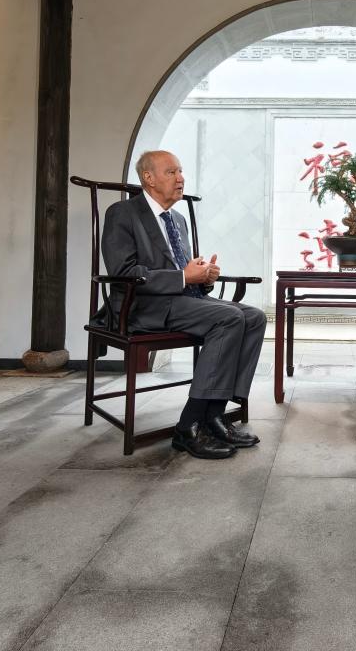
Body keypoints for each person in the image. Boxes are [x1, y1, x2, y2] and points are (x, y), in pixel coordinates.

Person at [100, 150, 266, 460]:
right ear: (148, 178)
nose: (180, 178)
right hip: (143, 305)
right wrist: (183, 277)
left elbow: (185, 272)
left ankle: (214, 415)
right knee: (229, 317)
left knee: (254, 317)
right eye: (171, 172)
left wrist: (204, 277)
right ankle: (188, 426)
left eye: (181, 172)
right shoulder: (122, 213)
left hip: (184, 300)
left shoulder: (177, 219)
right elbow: (123, 272)